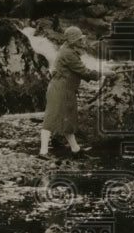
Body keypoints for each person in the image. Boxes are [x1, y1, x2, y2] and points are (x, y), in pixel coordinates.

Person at [40, 26, 98, 157]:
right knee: (50, 120)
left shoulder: (68, 49)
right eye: (79, 39)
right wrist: (104, 74)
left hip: (65, 90)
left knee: (68, 121)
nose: (82, 41)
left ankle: (75, 150)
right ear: (73, 41)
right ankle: (43, 152)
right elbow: (84, 72)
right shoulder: (69, 53)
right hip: (59, 90)